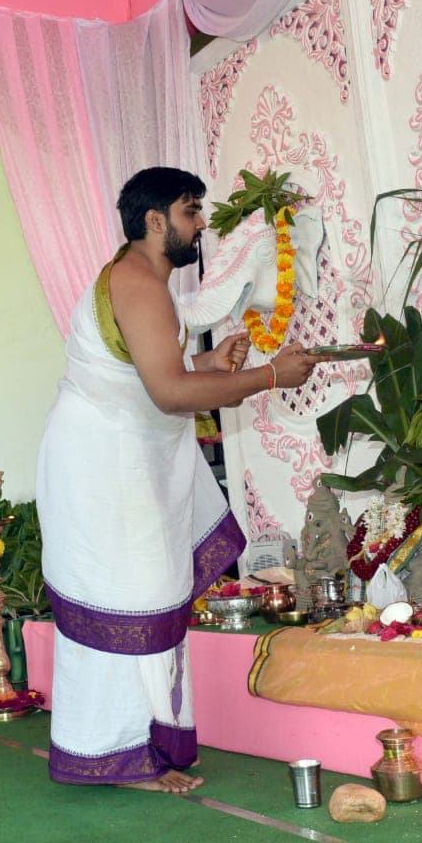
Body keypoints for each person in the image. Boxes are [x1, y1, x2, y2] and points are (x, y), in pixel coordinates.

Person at [36, 166, 321, 794]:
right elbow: (167, 393)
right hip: (102, 465)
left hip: (121, 458)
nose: (199, 227)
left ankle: (149, 743)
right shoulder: (137, 282)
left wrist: (208, 364)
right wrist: (270, 377)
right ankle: (118, 756)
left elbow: (153, 371)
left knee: (152, 591)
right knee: (128, 596)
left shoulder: (143, 282)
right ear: (156, 220)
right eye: (191, 213)